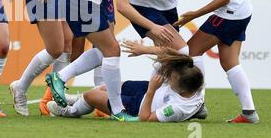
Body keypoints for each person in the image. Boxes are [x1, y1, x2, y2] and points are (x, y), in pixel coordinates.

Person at [45, 0, 186, 121]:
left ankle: (59, 77)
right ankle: (118, 111)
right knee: (112, 50)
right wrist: (152, 27)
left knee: (106, 51)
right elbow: (123, 6)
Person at [47, 46, 205, 123]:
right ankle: (75, 99)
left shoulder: (177, 109)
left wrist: (151, 91)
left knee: (91, 96)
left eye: (172, 79)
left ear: (183, 90)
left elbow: (145, 118)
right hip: (145, 90)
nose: (168, 78)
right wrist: (145, 50)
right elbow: (176, 52)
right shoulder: (193, 75)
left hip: (138, 106)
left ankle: (70, 111)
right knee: (107, 87)